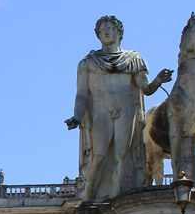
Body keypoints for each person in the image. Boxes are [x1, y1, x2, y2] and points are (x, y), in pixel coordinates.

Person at [65, 15, 173, 201]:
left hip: (127, 111)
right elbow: (81, 94)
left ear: (119, 32)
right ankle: (89, 194)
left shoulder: (133, 59)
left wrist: (158, 80)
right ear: (98, 35)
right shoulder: (88, 63)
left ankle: (116, 197)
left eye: (110, 28)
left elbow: (145, 89)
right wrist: (76, 116)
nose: (106, 31)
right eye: (102, 29)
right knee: (99, 155)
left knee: (123, 153)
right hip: (101, 113)